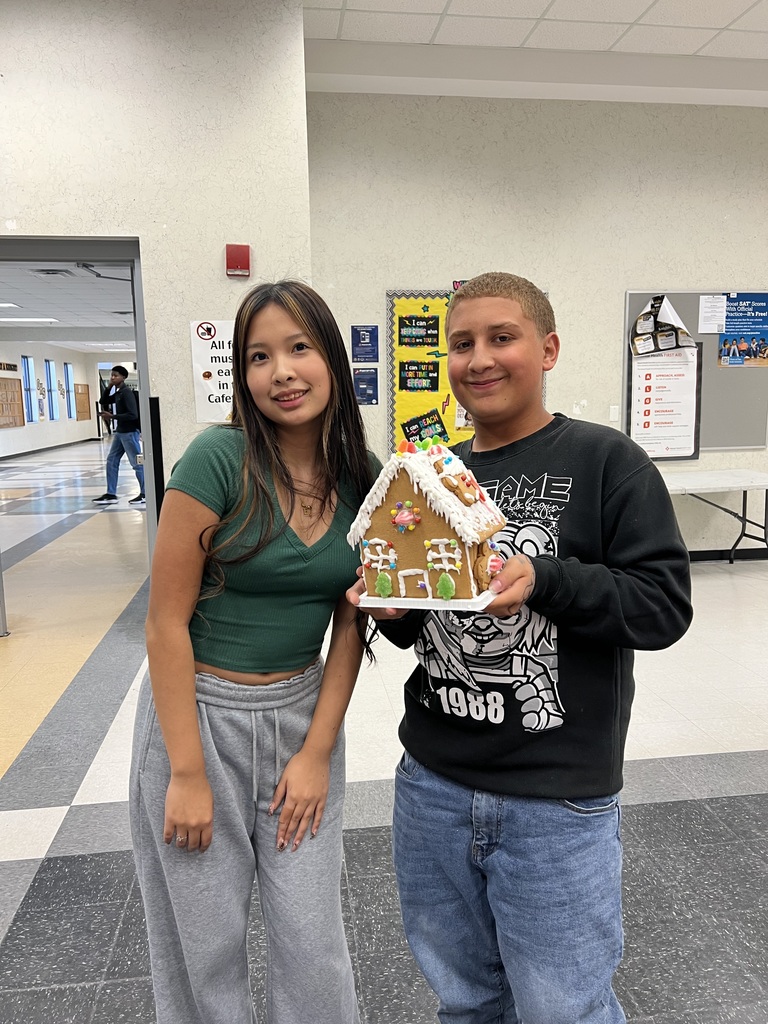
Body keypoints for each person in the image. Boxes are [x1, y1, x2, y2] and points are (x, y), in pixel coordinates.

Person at [349, 272, 693, 1024]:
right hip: (432, 785)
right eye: (461, 344)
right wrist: (391, 608)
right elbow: (424, 628)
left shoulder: (608, 462)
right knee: (466, 1002)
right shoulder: (432, 472)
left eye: (501, 338)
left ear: (549, 347)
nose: (479, 359)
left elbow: (664, 608)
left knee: (562, 1009)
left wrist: (546, 579)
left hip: (557, 801)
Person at [129, 281, 378, 1024]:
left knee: (313, 942)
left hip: (302, 717)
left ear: (332, 357)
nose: (282, 372)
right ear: (242, 375)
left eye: (300, 348)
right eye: (259, 356)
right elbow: (163, 624)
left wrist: (316, 752)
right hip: (197, 718)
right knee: (204, 948)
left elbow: (352, 624)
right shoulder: (217, 458)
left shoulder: (363, 475)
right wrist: (185, 771)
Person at [92, 365, 145, 505]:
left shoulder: (126, 392)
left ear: (123, 377)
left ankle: (145, 493)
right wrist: (109, 386)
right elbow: (103, 401)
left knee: (136, 463)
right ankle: (111, 493)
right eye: (112, 375)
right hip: (120, 433)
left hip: (129, 432)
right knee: (112, 461)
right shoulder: (118, 392)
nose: (113, 378)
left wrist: (113, 416)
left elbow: (133, 414)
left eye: (116, 375)